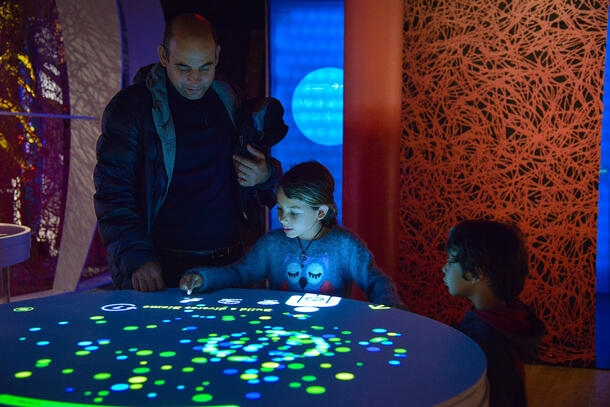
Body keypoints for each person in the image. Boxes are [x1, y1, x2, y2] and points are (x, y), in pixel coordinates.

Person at [94, 13, 286, 291]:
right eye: (184, 68)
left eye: (205, 68)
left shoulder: (230, 98)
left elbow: (266, 182)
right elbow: (112, 192)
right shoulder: (131, 109)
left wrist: (266, 173)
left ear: (217, 56)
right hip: (164, 270)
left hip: (231, 265)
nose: (195, 79)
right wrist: (136, 257)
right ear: (163, 56)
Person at [180, 161, 403, 307]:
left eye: (294, 212)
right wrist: (203, 278)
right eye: (280, 209)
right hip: (281, 333)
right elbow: (241, 274)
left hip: (334, 334)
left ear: (321, 212)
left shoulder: (345, 245)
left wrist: (391, 310)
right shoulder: (272, 244)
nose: (283, 218)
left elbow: (375, 281)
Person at [442, 220, 545, 407]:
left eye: (451, 261)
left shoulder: (485, 339)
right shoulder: (509, 320)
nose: (444, 269)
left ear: (475, 273)